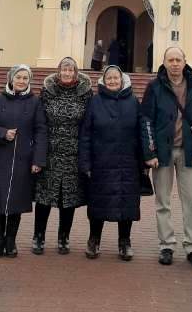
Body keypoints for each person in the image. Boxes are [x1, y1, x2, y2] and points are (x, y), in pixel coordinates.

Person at [141, 46, 192, 268]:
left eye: (178, 59)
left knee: (191, 201)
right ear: (164, 62)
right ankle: (167, 245)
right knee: (163, 202)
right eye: (170, 60)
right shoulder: (154, 87)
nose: (174, 64)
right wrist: (149, 152)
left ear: (184, 62)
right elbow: (146, 121)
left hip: (189, 153)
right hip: (161, 154)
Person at [0, 64, 47, 258]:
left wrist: (38, 160)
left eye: (26, 78)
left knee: (16, 200)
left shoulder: (35, 103)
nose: (22, 81)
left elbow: (41, 131)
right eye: (19, 77)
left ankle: (11, 240)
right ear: (11, 78)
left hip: (23, 160)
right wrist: (1, 133)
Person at [78, 65, 143, 261]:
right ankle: (94, 240)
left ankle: (124, 242)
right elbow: (86, 134)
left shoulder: (133, 102)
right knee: (98, 203)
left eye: (116, 78)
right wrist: (85, 162)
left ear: (122, 80)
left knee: (127, 204)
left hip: (128, 162)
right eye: (109, 79)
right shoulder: (95, 102)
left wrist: (143, 162)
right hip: (101, 162)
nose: (113, 81)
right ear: (103, 81)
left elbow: (141, 134)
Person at [32, 57, 92, 255]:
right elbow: (39, 121)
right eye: (64, 70)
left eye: (70, 70)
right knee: (44, 197)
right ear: (58, 72)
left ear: (76, 73)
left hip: (73, 153)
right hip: (50, 152)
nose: (67, 73)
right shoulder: (47, 92)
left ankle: (63, 237)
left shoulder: (85, 93)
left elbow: (89, 123)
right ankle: (38, 236)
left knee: (69, 199)